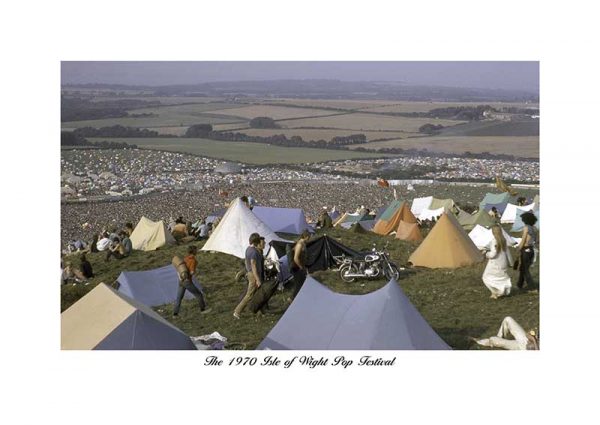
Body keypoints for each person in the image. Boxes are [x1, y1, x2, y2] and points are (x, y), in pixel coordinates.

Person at [233, 233, 264, 319]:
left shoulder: (248, 249)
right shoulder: (254, 252)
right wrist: (257, 279)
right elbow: (253, 266)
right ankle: (237, 311)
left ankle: (260, 311)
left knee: (257, 293)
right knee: (249, 295)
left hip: (250, 273)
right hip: (253, 275)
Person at [172, 248, 208, 317]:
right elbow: (191, 272)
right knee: (199, 294)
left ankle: (175, 314)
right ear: (194, 252)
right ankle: (203, 310)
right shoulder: (193, 261)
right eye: (196, 250)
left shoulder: (185, 258)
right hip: (187, 281)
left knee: (179, 298)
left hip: (181, 281)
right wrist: (194, 272)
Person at [482, 225, 513, 299]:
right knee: (501, 277)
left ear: (493, 232)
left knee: (486, 277)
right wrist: (511, 262)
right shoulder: (504, 240)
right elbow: (507, 252)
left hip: (495, 263)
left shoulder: (494, 241)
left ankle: (495, 292)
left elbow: (493, 254)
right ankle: (503, 290)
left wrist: (486, 254)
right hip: (503, 262)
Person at [474, 316, 539, 350]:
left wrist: (534, 340)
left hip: (525, 349)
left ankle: (482, 341)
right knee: (508, 319)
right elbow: (531, 334)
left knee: (493, 339)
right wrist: (531, 334)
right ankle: (499, 337)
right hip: (526, 341)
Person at [516, 211, 539, 289]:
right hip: (532, 249)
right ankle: (520, 284)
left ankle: (532, 286)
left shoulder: (526, 228)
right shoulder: (535, 228)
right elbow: (537, 240)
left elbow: (523, 240)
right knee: (523, 268)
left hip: (525, 249)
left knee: (525, 269)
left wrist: (519, 248)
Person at [290, 230, 310, 300]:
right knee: (298, 285)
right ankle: (292, 299)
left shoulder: (302, 243)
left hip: (300, 267)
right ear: (307, 237)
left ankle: (299, 298)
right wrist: (301, 267)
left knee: (301, 283)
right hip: (296, 267)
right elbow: (296, 258)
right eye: (309, 237)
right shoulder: (299, 244)